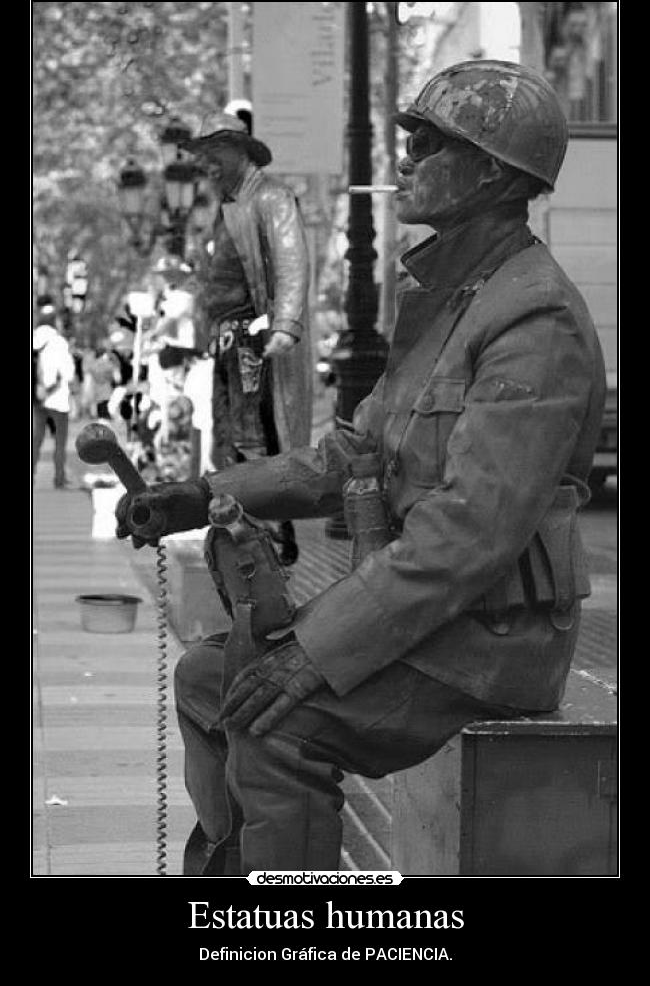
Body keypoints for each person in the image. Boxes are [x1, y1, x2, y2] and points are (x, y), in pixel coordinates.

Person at [115, 61, 606, 876]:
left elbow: (468, 535)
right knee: (207, 677)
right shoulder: (451, 297)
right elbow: (346, 453)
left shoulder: (534, 316)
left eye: (428, 144)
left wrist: (316, 649)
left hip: (492, 641)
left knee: (276, 724)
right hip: (434, 617)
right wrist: (196, 496)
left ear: (491, 173)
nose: (405, 160)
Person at [182, 111, 312, 564]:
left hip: (251, 342)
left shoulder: (271, 198)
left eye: (215, 152)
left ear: (240, 151)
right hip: (228, 343)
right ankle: (242, 531)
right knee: (229, 437)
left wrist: (285, 326)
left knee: (253, 437)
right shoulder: (226, 206)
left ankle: (270, 537)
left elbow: (292, 261)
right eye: (204, 156)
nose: (208, 164)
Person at [33, 304, 76, 488]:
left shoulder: (34, 339)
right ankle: (59, 478)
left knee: (36, 439)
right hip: (57, 398)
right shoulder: (59, 342)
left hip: (38, 396)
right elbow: (69, 373)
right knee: (59, 441)